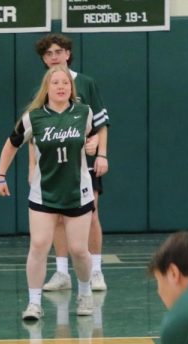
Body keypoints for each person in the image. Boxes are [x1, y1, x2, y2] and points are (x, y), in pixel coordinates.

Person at [0, 65, 106, 322]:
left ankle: (85, 293)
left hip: (78, 191)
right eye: (55, 82)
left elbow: (95, 135)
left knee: (79, 249)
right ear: (48, 87)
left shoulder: (84, 112)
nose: (60, 86)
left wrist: (95, 146)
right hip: (44, 193)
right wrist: (0, 176)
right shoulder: (33, 117)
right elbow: (11, 145)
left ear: (71, 88)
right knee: (38, 246)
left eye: (65, 83)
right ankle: (34, 303)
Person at [32, 34, 111, 294]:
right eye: (48, 54)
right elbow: (35, 133)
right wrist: (33, 166)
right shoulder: (47, 87)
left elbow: (101, 124)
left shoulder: (85, 83)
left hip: (82, 161)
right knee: (56, 219)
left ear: (67, 53)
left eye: (58, 51)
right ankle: (62, 272)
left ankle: (96, 269)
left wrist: (101, 154)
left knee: (92, 215)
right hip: (54, 166)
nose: (54, 57)